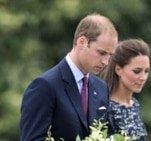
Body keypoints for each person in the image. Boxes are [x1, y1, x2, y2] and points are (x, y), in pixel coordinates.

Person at [20, 13, 118, 141]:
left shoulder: (101, 88)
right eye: (101, 53)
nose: (106, 62)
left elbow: (108, 136)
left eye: (109, 55)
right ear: (81, 42)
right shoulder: (44, 86)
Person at [101, 39, 151, 141]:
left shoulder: (135, 104)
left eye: (146, 71)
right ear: (118, 70)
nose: (143, 77)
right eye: (137, 71)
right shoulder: (106, 108)